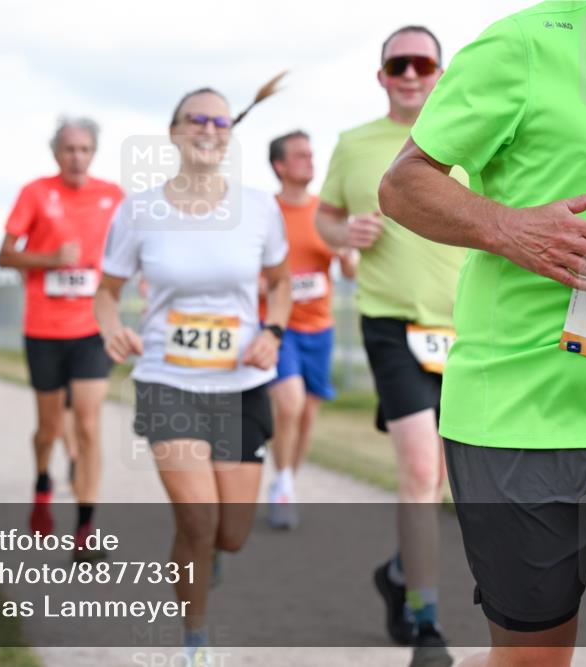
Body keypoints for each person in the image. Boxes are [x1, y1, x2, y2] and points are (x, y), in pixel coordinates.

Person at [378, 3, 586, 666]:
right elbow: (404, 184)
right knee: (532, 659)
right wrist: (508, 228)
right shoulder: (525, 44)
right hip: (521, 414)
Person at [94, 79, 290, 666]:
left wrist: (272, 331)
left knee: (229, 533)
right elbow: (107, 292)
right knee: (198, 518)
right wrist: (110, 326)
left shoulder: (259, 208)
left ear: (231, 136)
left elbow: (279, 283)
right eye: (196, 120)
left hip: (239, 386)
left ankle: (207, 557)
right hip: (167, 379)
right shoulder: (139, 211)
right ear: (175, 132)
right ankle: (195, 640)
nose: (208, 130)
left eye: (220, 122)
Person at [315, 25, 465, 667]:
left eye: (422, 63)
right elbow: (323, 219)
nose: (410, 73)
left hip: (466, 328)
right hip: (391, 323)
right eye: (397, 64)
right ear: (381, 76)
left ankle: (400, 571)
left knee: (454, 477)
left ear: (439, 71)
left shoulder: (469, 132)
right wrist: (341, 231)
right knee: (419, 471)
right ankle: (425, 622)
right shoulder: (353, 145)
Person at [0, 117, 123, 559]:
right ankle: (43, 484)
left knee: (88, 424)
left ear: (94, 153)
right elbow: (4, 254)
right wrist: (49, 258)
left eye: (85, 149)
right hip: (44, 329)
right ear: (56, 153)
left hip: (91, 327)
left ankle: (86, 532)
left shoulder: (112, 196)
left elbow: (135, 249)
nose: (77, 157)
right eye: (69, 149)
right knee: (49, 428)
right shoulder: (35, 192)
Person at [262, 130, 358, 529]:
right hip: (277, 323)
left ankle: (286, 481)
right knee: (289, 402)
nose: (310, 161)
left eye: (311, 154)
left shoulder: (326, 212)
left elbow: (351, 269)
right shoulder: (266, 212)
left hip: (320, 325)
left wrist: (344, 253)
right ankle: (283, 484)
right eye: (300, 156)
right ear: (280, 166)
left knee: (306, 416)